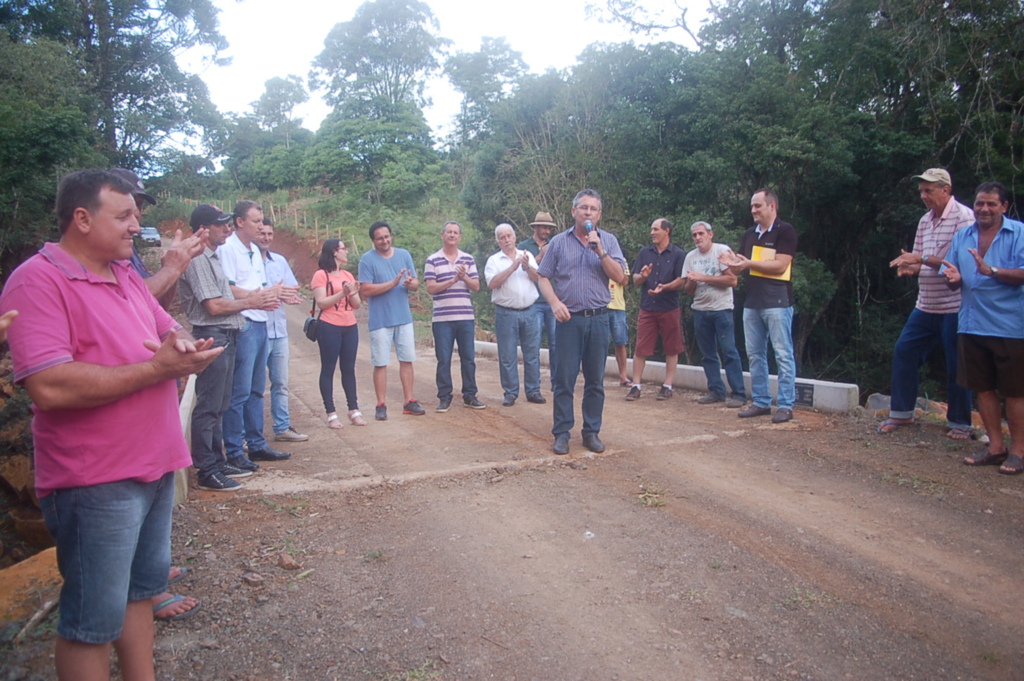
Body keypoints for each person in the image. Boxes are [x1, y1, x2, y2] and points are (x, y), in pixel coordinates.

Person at [0, 169, 222, 681]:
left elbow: (164, 328)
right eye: (123, 216)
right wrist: (155, 369)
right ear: (82, 218)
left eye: (136, 216)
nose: (134, 227)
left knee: (141, 593)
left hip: (154, 463)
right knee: (90, 622)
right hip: (93, 479)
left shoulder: (122, 273)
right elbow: (50, 385)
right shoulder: (37, 280)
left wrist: (184, 348)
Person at [180, 204, 280, 491]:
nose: (227, 229)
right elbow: (212, 306)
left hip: (225, 335)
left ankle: (218, 460)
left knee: (220, 404)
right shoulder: (199, 259)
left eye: (227, 223)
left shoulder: (211, 258)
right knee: (210, 405)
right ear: (203, 229)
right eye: (220, 224)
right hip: (214, 334)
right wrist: (251, 302)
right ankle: (207, 469)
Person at [879, 169, 975, 439]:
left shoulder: (964, 217)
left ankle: (960, 423)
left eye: (928, 190)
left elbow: (954, 263)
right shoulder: (924, 221)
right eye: (921, 190)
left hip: (955, 305)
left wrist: (919, 259)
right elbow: (918, 261)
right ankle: (901, 414)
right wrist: (909, 267)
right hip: (926, 304)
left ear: (945, 190)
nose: (923, 196)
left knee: (957, 363)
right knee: (905, 351)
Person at [941, 181, 1024, 475]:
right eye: (979, 203)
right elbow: (951, 273)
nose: (984, 209)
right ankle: (996, 447)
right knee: (983, 388)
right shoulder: (963, 236)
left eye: (991, 204)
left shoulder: (1019, 234)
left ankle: (1018, 451)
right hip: (972, 323)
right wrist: (951, 278)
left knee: (1015, 392)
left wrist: (993, 271)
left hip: (1010, 326)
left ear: (1004, 206)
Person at [537, 189, 626, 455]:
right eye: (583, 208)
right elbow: (543, 277)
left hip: (599, 319)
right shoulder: (558, 243)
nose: (588, 212)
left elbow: (620, 276)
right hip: (568, 321)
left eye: (593, 209)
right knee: (564, 379)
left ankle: (591, 432)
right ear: (574, 211)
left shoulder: (607, 240)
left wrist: (601, 252)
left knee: (595, 380)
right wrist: (554, 303)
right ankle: (562, 433)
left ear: (599, 214)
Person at [219, 200, 298, 470]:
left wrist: (275, 293)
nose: (260, 226)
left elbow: (262, 285)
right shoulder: (228, 249)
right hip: (244, 322)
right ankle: (234, 449)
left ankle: (256, 444)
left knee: (256, 389)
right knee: (239, 391)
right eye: (255, 221)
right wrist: (257, 297)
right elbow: (228, 289)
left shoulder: (253, 250)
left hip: (261, 319)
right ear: (240, 222)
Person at [720, 189, 798, 423]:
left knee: (783, 354)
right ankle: (762, 402)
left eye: (758, 206)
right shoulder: (749, 234)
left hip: (778, 301)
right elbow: (740, 267)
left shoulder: (786, 231)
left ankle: (785, 405)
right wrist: (730, 264)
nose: (753, 210)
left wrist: (747, 263)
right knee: (755, 355)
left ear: (772, 206)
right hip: (752, 302)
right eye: (752, 206)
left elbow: (781, 266)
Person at [110, 168, 206, 309]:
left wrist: (176, 266)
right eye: (127, 204)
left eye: (139, 204)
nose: (136, 212)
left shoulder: (129, 249)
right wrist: (171, 268)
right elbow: (126, 300)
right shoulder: (99, 256)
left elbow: (160, 305)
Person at [358, 221, 425, 420]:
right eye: (379, 238)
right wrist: (392, 283)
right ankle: (381, 404)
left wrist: (409, 283)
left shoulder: (404, 255)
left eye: (387, 236)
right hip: (380, 320)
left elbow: (415, 284)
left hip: (403, 317)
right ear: (373, 240)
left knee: (407, 359)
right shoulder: (366, 260)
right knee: (380, 362)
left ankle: (409, 401)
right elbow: (366, 290)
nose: (384, 241)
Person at [684, 221, 746, 407]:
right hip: (700, 310)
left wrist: (702, 277)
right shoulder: (690, 257)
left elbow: (732, 280)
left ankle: (739, 394)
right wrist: (693, 281)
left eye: (701, 234)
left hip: (721, 309)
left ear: (710, 234)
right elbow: (688, 290)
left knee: (729, 351)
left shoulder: (721, 251)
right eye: (694, 235)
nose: (697, 238)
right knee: (708, 354)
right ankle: (716, 391)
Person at [256, 218, 308, 442]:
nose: (266, 238)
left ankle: (282, 427)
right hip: (257, 331)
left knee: (281, 383)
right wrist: (274, 292)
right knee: (254, 387)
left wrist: (286, 294)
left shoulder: (279, 261)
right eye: (262, 233)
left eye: (269, 234)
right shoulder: (249, 263)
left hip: (279, 332)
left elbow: (291, 288)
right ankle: (252, 435)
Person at [425, 221, 485, 411]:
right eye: (448, 232)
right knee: (444, 359)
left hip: (465, 317)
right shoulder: (432, 260)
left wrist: (464, 277)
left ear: (460, 238)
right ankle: (444, 396)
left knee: (468, 358)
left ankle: (470, 395)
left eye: (455, 233)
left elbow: (476, 286)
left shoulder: (468, 259)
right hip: (442, 319)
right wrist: (453, 280)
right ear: (442, 235)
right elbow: (431, 288)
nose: (452, 235)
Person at [485, 223, 544, 407]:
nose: (507, 239)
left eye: (509, 235)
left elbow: (539, 279)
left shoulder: (527, 256)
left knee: (532, 354)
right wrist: (512, 267)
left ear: (515, 237)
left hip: (530, 311)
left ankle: (533, 390)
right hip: (506, 313)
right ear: (498, 241)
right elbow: (492, 284)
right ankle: (510, 392)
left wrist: (527, 268)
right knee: (507, 355)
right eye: (502, 237)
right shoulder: (494, 261)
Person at [627, 218, 687, 401]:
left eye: (655, 229)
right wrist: (643, 276)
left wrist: (665, 287)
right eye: (651, 229)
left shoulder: (678, 254)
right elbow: (636, 279)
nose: (652, 232)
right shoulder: (645, 252)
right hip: (648, 307)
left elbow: (682, 281)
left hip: (669, 307)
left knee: (672, 347)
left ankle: (667, 386)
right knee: (641, 347)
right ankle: (636, 386)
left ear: (666, 231)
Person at [311, 239, 365, 428]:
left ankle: (353, 409)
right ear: (334, 252)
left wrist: (352, 292)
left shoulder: (347, 274)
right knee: (328, 368)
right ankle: (331, 413)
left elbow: (357, 304)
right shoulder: (321, 275)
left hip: (349, 324)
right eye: (343, 249)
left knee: (349, 368)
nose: (347, 252)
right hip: (329, 325)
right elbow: (322, 303)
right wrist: (343, 293)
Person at [519, 211, 558, 387]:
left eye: (549, 228)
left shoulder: (556, 244)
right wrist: (541, 256)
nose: (547, 231)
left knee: (556, 345)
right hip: (533, 303)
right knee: (532, 345)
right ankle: (534, 385)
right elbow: (521, 271)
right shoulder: (524, 246)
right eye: (544, 227)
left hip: (553, 301)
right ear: (535, 227)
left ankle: (557, 382)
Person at [609, 260, 631, 387]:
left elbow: (625, 281)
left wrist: (611, 267)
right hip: (599, 305)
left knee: (621, 342)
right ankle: (596, 378)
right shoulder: (593, 253)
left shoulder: (620, 258)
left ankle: (623, 376)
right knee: (598, 344)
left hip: (618, 306)